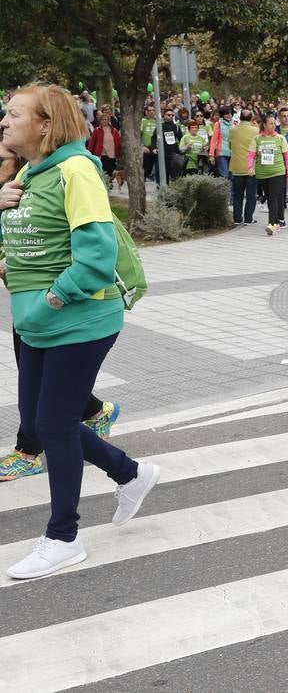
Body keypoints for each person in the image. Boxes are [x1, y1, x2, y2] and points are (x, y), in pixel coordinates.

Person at [0, 84, 159, 579]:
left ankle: (63, 536)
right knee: (43, 420)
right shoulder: (29, 172)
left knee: (52, 424)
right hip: (36, 325)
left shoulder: (76, 170)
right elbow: (25, 245)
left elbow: (95, 258)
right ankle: (131, 474)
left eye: (13, 114)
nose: (3, 122)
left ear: (46, 124)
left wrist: (52, 299)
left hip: (79, 321)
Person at [248, 114, 288, 235]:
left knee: (272, 198)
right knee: (269, 198)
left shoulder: (280, 138)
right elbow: (251, 154)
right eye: (271, 123)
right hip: (262, 174)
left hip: (278, 172)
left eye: (274, 123)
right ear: (264, 124)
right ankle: (277, 223)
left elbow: (287, 157)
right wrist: (250, 167)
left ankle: (272, 225)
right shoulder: (257, 138)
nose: (274, 125)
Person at [228, 109, 259, 225]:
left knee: (237, 194)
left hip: (237, 166)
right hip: (252, 167)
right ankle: (248, 218)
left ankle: (237, 218)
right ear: (251, 118)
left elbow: (230, 145)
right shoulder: (256, 130)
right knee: (251, 195)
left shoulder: (233, 130)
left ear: (240, 117)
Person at [86, 111, 121, 187]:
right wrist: (89, 153)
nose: (104, 121)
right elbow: (92, 143)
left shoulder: (114, 131)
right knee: (103, 170)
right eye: (102, 119)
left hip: (112, 154)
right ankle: (105, 184)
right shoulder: (97, 130)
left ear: (109, 120)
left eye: (106, 119)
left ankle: (109, 183)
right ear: (100, 120)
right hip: (101, 154)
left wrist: (119, 154)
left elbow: (118, 143)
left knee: (111, 170)